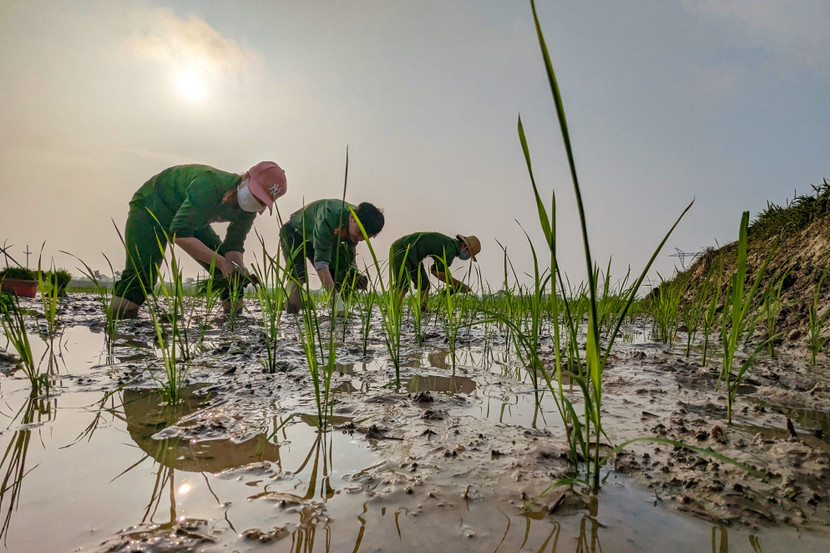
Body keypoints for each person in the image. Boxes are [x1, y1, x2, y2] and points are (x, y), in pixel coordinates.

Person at [110, 161, 287, 319]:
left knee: (230, 278)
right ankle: (119, 329)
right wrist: (221, 263)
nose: (254, 201)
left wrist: (239, 270)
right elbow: (179, 234)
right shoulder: (209, 184)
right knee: (140, 278)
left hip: (193, 220)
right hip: (153, 207)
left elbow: (233, 245)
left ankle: (233, 326)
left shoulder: (249, 210)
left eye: (260, 200)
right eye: (254, 193)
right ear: (245, 178)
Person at [280, 199, 384, 313]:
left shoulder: (358, 222)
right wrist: (336, 303)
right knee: (298, 276)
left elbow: (351, 248)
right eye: (359, 233)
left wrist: (353, 270)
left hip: (322, 238)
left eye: (365, 237)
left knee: (339, 275)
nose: (360, 239)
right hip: (296, 232)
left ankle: (340, 319)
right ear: (352, 218)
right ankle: (291, 316)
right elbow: (321, 265)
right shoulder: (328, 217)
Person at [389, 232, 481, 310]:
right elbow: (438, 272)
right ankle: (394, 312)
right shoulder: (451, 248)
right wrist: (458, 285)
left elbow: (436, 270)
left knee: (424, 284)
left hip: (414, 255)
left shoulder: (449, 245)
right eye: (468, 253)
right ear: (464, 246)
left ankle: (422, 312)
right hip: (403, 249)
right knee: (402, 283)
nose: (467, 257)